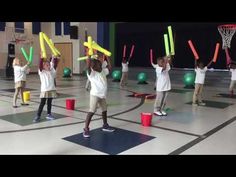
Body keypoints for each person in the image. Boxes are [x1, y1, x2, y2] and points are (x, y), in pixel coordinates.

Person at [83, 55, 114, 138]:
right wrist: (89, 57)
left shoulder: (103, 71)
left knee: (104, 110)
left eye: (100, 65)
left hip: (102, 95)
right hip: (95, 95)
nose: (100, 66)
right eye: (98, 65)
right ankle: (86, 129)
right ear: (93, 67)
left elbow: (110, 68)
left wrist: (108, 58)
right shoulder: (92, 74)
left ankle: (105, 125)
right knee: (92, 111)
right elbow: (88, 68)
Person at [33, 55, 57, 122]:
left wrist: (53, 58)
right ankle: (38, 115)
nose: (48, 66)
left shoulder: (52, 71)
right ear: (43, 66)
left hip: (51, 89)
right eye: (47, 65)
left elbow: (53, 64)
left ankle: (49, 114)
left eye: (49, 65)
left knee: (50, 102)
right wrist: (41, 58)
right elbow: (40, 65)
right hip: (45, 90)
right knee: (42, 103)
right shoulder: (42, 72)